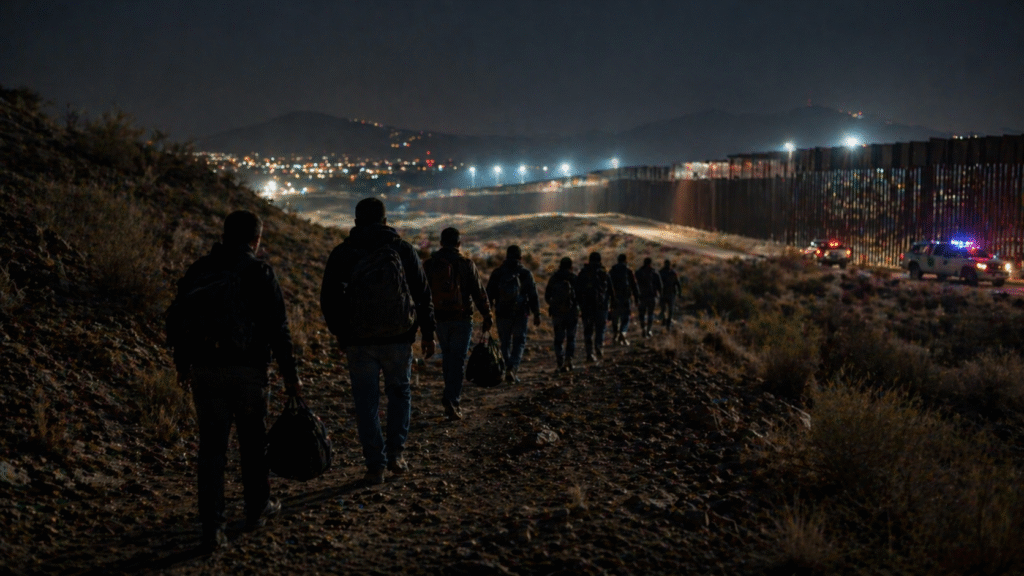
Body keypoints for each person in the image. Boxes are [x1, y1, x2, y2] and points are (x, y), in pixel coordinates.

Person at [167, 210, 301, 550]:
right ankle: (257, 509)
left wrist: (183, 365)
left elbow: (179, 318)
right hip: (248, 372)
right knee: (253, 444)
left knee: (211, 450)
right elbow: (278, 331)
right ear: (256, 239)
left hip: (205, 369)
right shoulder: (259, 272)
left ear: (224, 235)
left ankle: (213, 527)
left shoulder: (200, 269)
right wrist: (291, 377)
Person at [320, 198, 435, 486]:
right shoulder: (403, 250)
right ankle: (396, 453)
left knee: (366, 403)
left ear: (357, 221)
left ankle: (375, 465)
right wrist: (427, 333)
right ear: (386, 221)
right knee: (400, 394)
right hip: (398, 339)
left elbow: (329, 299)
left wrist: (341, 334)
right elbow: (422, 295)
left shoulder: (343, 253)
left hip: (359, 341)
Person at [423, 227, 492, 421]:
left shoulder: (429, 265)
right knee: (458, 360)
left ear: (441, 243)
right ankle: (452, 399)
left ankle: (450, 395)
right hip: (462, 319)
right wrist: (487, 315)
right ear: (459, 244)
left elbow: (422, 295)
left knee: (447, 357)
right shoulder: (465, 264)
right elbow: (479, 292)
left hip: (439, 320)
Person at [485, 245, 541, 383]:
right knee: (519, 342)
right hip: (520, 314)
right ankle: (512, 367)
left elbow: (488, 294)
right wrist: (537, 313)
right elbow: (533, 295)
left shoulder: (497, 273)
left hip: (502, 313)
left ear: (506, 256)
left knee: (504, 342)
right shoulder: (525, 273)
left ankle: (506, 367)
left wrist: (487, 314)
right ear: (520, 258)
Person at [575, 251, 613, 363]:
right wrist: (611, 305)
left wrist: (579, 306)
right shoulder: (604, 273)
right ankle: (598, 346)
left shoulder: (583, 273)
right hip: (602, 307)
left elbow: (577, 291)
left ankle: (589, 354)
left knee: (588, 331)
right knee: (600, 329)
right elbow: (611, 291)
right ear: (600, 260)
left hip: (587, 307)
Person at [544, 256, 579, 372]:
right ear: (571, 266)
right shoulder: (574, 278)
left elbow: (546, 296)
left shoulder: (554, 278)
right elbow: (580, 296)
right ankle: (569, 361)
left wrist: (554, 305)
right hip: (572, 313)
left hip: (557, 314)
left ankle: (560, 361)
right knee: (571, 338)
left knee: (558, 339)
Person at [608, 253, 639, 345]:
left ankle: (615, 335)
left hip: (615, 298)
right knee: (625, 317)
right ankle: (623, 333)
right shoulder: (628, 271)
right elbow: (634, 286)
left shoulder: (612, 270)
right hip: (626, 298)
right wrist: (637, 298)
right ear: (625, 260)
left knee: (615, 317)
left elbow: (608, 285)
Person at [634, 257, 662, 338]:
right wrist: (660, 297)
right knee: (650, 313)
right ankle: (649, 330)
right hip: (651, 297)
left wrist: (635, 296)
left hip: (641, 297)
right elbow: (660, 286)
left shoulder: (638, 272)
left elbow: (634, 285)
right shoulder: (654, 273)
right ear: (650, 263)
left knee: (641, 314)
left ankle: (643, 328)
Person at [658, 259, 681, 329]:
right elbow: (678, 283)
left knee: (664, 309)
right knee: (668, 309)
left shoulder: (661, 272)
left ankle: (666, 322)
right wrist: (679, 292)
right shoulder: (672, 273)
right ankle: (667, 322)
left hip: (665, 294)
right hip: (669, 294)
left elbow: (677, 283)